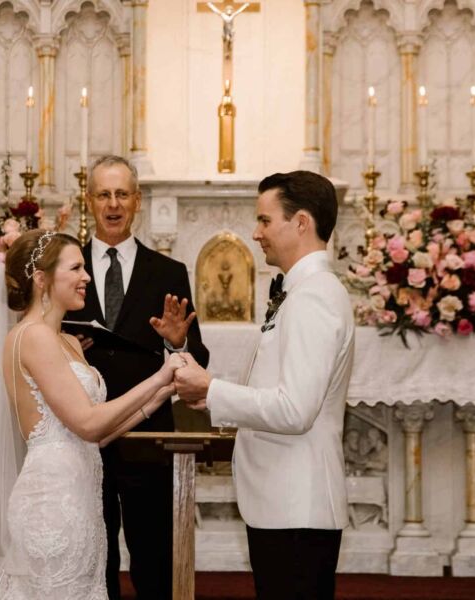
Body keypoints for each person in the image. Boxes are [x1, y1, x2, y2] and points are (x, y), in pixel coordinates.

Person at [0, 229, 184, 599]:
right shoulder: (32, 337)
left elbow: (100, 433)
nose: (86, 276)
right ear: (42, 279)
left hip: (82, 501)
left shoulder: (69, 341)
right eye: (75, 268)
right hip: (52, 505)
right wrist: (159, 376)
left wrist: (164, 389)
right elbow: (89, 424)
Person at [173, 171, 355, 600]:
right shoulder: (301, 292)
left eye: (265, 220)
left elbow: (295, 410)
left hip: (298, 506)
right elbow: (278, 385)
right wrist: (207, 394)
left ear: (302, 223)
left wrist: (214, 389)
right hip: (283, 504)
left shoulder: (314, 297)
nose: (255, 234)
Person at [64, 155, 209, 600]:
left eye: (122, 194)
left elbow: (197, 358)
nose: (113, 203)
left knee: (155, 564)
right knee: (92, 562)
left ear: (137, 201)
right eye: (104, 194)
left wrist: (177, 345)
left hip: (150, 442)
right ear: (88, 201)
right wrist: (68, 350)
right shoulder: (66, 270)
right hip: (83, 440)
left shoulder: (168, 272)